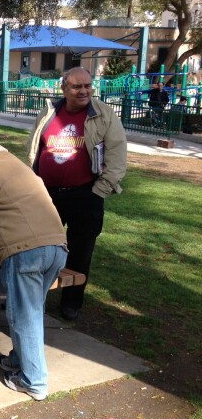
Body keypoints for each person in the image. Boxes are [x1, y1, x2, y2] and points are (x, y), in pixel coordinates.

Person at [0, 132, 68, 401]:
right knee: (31, 312)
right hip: (57, 246)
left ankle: (34, 381)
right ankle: (20, 360)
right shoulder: (17, 164)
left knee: (23, 317)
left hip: (24, 251)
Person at [25, 66, 127, 321]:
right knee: (40, 247)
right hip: (46, 195)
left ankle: (72, 302)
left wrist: (98, 192)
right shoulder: (49, 111)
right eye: (76, 86)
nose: (83, 91)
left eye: (87, 86)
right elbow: (34, 147)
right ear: (64, 88)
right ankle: (34, 296)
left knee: (80, 252)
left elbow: (117, 157)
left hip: (85, 196)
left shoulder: (104, 114)